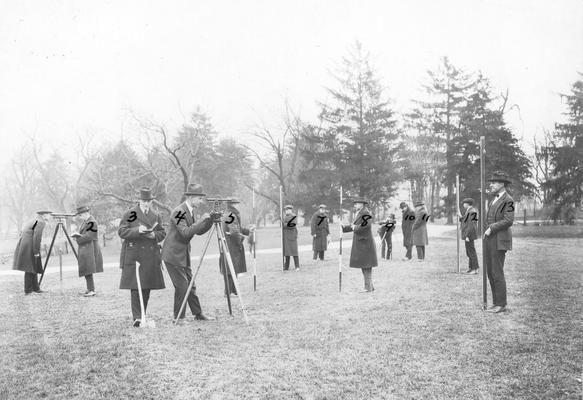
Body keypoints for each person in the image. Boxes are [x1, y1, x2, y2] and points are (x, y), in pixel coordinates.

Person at [161, 183, 213, 321]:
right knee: (182, 286)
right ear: (190, 197)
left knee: (191, 284)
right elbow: (185, 233)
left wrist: (210, 221)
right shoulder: (179, 211)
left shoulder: (190, 211)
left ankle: (198, 314)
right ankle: (179, 317)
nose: (201, 202)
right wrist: (202, 219)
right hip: (172, 255)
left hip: (183, 255)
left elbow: (199, 231)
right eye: (199, 199)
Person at [118, 187, 166, 327]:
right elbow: (121, 231)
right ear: (139, 200)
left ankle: (143, 313)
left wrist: (154, 235)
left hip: (150, 254)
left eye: (148, 201)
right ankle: (137, 317)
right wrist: (136, 230)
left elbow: (162, 232)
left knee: (147, 286)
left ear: (151, 201)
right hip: (135, 253)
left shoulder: (156, 215)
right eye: (144, 201)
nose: (146, 204)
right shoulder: (131, 213)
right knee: (135, 286)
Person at [483, 172, 515, 313]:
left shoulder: (509, 200)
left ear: (502, 184)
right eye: (491, 182)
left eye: (494, 182)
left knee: (497, 271)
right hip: (490, 239)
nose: (491, 184)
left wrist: (491, 228)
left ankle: (501, 304)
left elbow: (509, 220)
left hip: (500, 239)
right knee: (490, 271)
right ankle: (496, 302)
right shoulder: (493, 200)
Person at [342, 198, 378, 292]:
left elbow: (366, 226)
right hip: (361, 242)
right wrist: (343, 228)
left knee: (366, 265)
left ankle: (368, 288)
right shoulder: (359, 213)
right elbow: (354, 225)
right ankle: (370, 286)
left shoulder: (366, 213)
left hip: (365, 242)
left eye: (357, 204)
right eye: (355, 204)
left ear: (362, 204)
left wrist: (355, 227)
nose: (355, 205)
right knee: (364, 264)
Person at [13, 210, 52, 294]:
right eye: (49, 215)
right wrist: (36, 251)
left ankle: (35, 288)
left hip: (25, 245)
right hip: (30, 246)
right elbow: (36, 237)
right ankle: (28, 290)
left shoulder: (34, 220)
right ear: (44, 215)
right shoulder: (41, 222)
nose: (50, 216)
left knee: (33, 266)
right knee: (29, 268)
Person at [219, 198, 250, 296]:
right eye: (237, 204)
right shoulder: (231, 215)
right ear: (233, 205)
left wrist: (248, 231)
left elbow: (238, 228)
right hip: (231, 245)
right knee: (230, 268)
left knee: (231, 267)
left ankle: (233, 290)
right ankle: (228, 292)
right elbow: (234, 232)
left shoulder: (228, 214)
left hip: (228, 244)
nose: (238, 205)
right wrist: (240, 240)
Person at [72, 206, 103, 296]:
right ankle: (89, 289)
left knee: (88, 269)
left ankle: (92, 290)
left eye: (80, 215)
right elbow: (85, 235)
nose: (80, 217)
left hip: (90, 248)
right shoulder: (86, 222)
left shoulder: (92, 222)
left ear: (85, 214)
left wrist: (78, 238)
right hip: (86, 248)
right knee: (86, 269)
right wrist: (78, 236)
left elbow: (89, 236)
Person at [458, 198, 479, 274]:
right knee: (469, 252)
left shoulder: (472, 212)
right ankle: (471, 268)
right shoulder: (469, 211)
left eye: (464, 203)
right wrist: (460, 216)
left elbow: (472, 225)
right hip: (468, 235)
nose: (463, 205)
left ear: (468, 204)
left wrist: (468, 235)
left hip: (470, 235)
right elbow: (464, 220)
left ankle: (475, 269)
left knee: (471, 252)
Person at [282, 205, 300, 271]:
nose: (287, 211)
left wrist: (284, 224)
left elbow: (292, 225)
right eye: (286, 210)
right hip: (286, 236)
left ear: (291, 210)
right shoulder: (284, 217)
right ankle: (286, 266)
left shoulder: (293, 216)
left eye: (288, 209)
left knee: (294, 251)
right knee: (287, 252)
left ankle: (297, 266)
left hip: (292, 236)